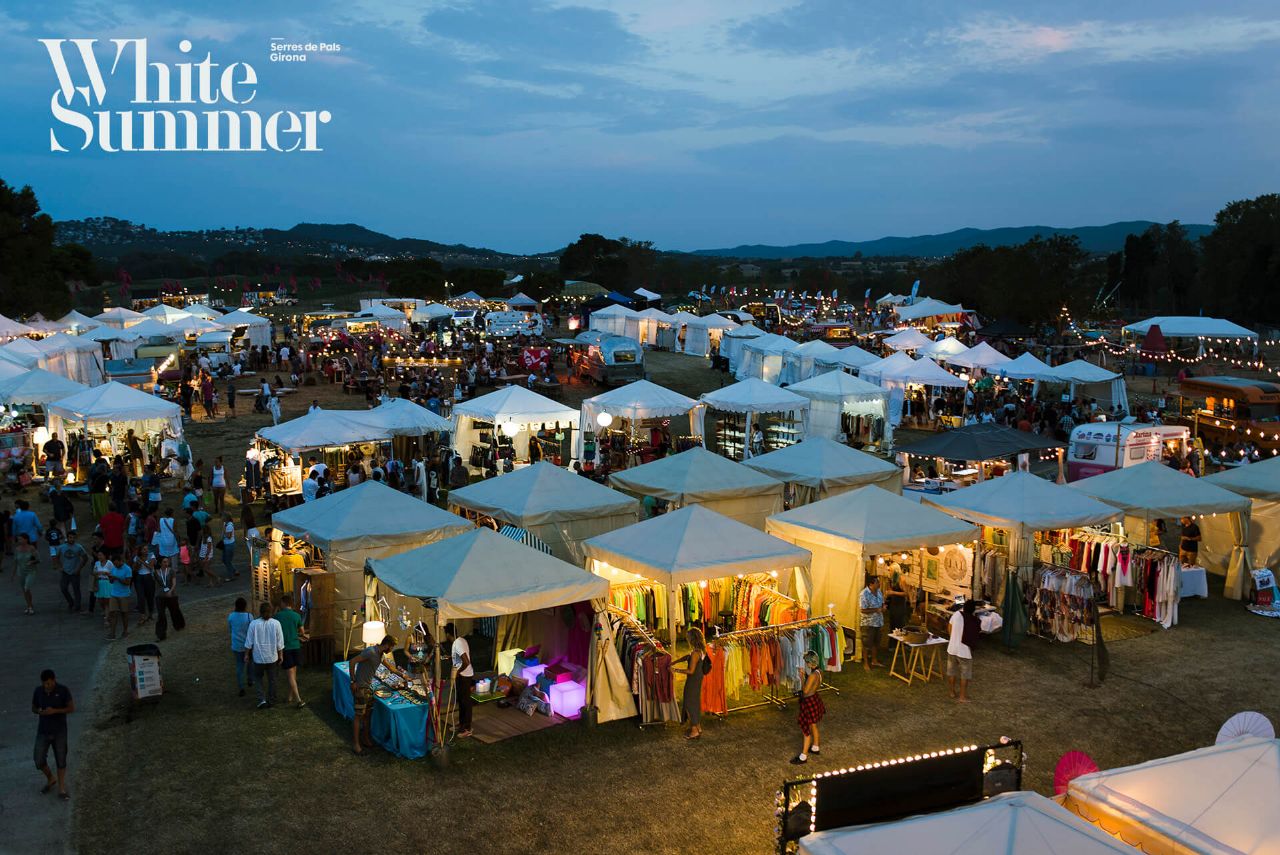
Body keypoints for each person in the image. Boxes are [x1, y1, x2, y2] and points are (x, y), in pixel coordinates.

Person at [349, 634, 396, 755]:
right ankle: (355, 744)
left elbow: (390, 667)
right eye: (391, 647)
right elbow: (352, 662)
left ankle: (365, 738)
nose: (391, 650)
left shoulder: (380, 654)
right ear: (386, 645)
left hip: (368, 687)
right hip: (361, 687)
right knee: (359, 716)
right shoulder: (370, 652)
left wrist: (403, 675)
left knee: (368, 714)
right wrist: (353, 681)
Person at [32, 669, 74, 801]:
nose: (47, 686)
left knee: (61, 759)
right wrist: (39, 710)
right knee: (38, 759)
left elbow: (71, 708)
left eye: (49, 683)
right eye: (45, 684)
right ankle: (51, 778)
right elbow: (33, 707)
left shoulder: (63, 690)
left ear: (54, 680)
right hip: (43, 731)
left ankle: (61, 788)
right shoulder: (38, 691)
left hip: (59, 731)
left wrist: (55, 711)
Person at [244, 602, 284, 710]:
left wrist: (247, 654)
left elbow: (249, 641)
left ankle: (261, 700)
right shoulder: (276, 624)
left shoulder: (254, 624)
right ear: (271, 612)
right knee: (272, 680)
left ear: (260, 612)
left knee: (258, 679)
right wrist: (281, 655)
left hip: (258, 658)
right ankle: (272, 700)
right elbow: (280, 643)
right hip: (272, 657)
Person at [672, 627, 708, 740]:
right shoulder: (700, 650)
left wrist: (675, 670)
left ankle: (694, 730)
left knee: (689, 703)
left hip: (692, 680)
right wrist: (676, 661)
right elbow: (688, 657)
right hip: (698, 679)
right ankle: (698, 726)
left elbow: (690, 671)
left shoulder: (695, 654)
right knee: (695, 702)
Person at [791, 651, 825, 764]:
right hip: (815, 698)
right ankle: (815, 747)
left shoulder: (812, 675)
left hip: (808, 701)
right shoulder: (819, 672)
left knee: (806, 729)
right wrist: (805, 675)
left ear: (810, 663)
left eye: (807, 662)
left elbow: (805, 690)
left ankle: (803, 756)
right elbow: (813, 685)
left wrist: (802, 677)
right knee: (813, 725)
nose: (806, 664)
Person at [276, 594, 306, 708]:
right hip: (296, 646)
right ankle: (289, 697)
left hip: (285, 648)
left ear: (283, 603)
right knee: (293, 673)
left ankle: (298, 699)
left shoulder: (277, 616)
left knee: (290, 676)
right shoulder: (296, 616)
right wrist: (297, 635)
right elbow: (302, 632)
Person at [446, 622, 474, 738]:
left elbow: (466, 661)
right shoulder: (461, 640)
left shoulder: (457, 643)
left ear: (447, 634)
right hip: (464, 675)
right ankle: (462, 724)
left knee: (465, 702)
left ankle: (467, 728)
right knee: (461, 701)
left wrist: (458, 671)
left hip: (464, 676)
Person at [946, 599, 978, 702]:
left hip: (952, 648)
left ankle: (951, 692)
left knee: (952, 671)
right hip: (964, 651)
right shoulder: (973, 620)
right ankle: (962, 697)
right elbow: (975, 636)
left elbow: (949, 627)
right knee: (964, 674)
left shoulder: (956, 614)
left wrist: (953, 638)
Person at [57, 530, 90, 614]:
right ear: (67, 538)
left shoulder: (79, 547)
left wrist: (79, 568)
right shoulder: (61, 547)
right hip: (65, 571)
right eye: (70, 537)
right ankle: (71, 602)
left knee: (76, 589)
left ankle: (77, 605)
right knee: (63, 588)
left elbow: (85, 558)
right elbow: (56, 557)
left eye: (73, 538)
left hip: (75, 572)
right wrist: (60, 567)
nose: (72, 539)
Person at [227, 597, 254, 697]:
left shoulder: (231, 616)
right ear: (245, 606)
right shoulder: (249, 616)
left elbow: (230, 629)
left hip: (237, 645)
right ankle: (250, 679)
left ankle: (241, 686)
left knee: (239, 666)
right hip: (248, 645)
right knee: (250, 663)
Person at [153, 556, 184, 640]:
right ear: (160, 563)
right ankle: (161, 634)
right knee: (161, 615)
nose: (166, 563)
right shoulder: (156, 572)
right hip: (160, 596)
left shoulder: (171, 571)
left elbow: (174, 583)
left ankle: (179, 625)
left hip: (171, 595)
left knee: (174, 611)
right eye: (164, 562)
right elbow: (156, 584)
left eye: (167, 562)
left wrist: (170, 591)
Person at [858, 576, 885, 672]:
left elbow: (882, 603)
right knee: (866, 644)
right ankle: (865, 663)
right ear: (871, 584)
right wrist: (876, 610)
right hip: (868, 623)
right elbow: (863, 610)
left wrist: (883, 607)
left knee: (875, 643)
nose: (879, 583)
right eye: (877, 582)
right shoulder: (864, 594)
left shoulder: (879, 592)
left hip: (878, 622)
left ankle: (874, 660)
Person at [105, 551, 133, 640]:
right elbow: (111, 582)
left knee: (124, 613)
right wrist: (111, 578)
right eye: (114, 563)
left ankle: (125, 631)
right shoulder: (113, 568)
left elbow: (128, 582)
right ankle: (112, 633)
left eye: (116, 563)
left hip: (124, 594)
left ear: (120, 561)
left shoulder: (127, 569)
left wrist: (117, 578)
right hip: (114, 593)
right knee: (113, 613)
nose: (115, 565)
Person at [13, 533, 39, 615]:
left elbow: (38, 559)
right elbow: (15, 562)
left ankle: (30, 607)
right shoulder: (17, 549)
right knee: (24, 590)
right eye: (18, 539)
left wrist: (32, 561)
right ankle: (29, 606)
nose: (19, 540)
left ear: (26, 539)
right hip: (21, 572)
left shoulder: (31, 548)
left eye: (21, 539)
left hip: (31, 571)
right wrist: (13, 574)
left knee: (26, 587)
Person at [219, 514, 237, 579]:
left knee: (227, 561)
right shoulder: (225, 523)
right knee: (224, 560)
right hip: (225, 544)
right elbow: (223, 534)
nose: (221, 518)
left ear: (225, 518)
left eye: (222, 516)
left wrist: (224, 530)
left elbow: (229, 536)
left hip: (229, 545)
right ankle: (234, 570)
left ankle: (231, 576)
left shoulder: (229, 525)